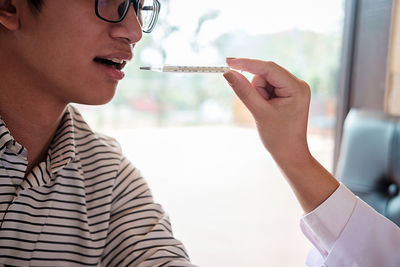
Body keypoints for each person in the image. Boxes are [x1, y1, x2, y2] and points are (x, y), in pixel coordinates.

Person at [0, 0, 399, 267]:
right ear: (9, 6)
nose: (135, 31)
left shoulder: (106, 174)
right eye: (111, 1)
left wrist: (291, 152)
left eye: (139, 7)